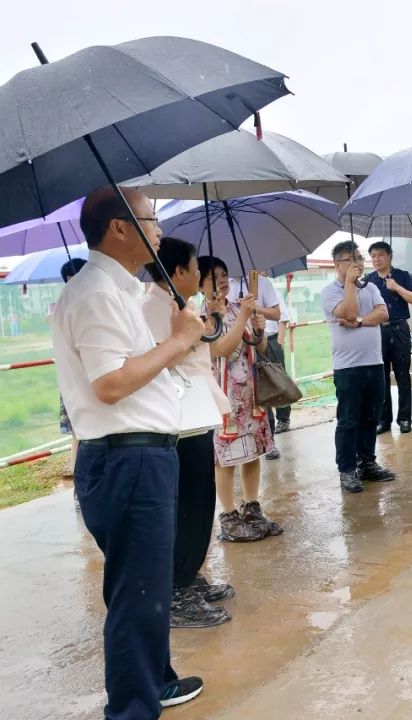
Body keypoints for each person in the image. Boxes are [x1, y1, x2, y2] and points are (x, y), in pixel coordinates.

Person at [52, 186, 206, 715]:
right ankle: (132, 708)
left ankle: (154, 679)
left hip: (138, 455)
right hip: (128, 459)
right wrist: (179, 342)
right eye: (150, 218)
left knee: (143, 587)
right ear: (120, 228)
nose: (159, 229)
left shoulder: (119, 290)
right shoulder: (95, 292)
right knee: (135, 595)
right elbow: (110, 384)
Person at [143, 238, 235, 628]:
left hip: (196, 408)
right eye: (196, 269)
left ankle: (188, 574)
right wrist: (193, 331)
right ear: (177, 272)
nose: (199, 276)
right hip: (177, 415)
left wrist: (208, 319)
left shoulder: (178, 304)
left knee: (199, 497)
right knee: (186, 502)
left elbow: (204, 346)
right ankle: (177, 590)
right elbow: (164, 355)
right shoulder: (151, 307)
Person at [199, 256, 283, 543]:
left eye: (224, 274)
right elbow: (222, 349)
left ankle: (252, 508)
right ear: (200, 285)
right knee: (225, 459)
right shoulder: (203, 317)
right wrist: (244, 319)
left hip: (250, 395)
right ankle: (229, 516)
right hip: (225, 399)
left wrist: (258, 328)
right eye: (214, 276)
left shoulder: (237, 308)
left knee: (253, 451)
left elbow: (258, 347)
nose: (222, 280)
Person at [322, 241, 396, 492]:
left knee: (370, 418)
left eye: (359, 258)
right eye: (350, 259)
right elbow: (348, 312)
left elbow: (383, 313)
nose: (358, 264)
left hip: (374, 362)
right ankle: (347, 470)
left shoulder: (372, 287)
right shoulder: (330, 291)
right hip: (348, 367)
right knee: (348, 420)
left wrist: (362, 320)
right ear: (337, 264)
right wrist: (350, 286)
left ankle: (367, 463)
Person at [229, 271, 289, 455]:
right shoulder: (224, 285)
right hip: (236, 346)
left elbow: (278, 314)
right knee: (247, 394)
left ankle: (272, 434)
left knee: (267, 388)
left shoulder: (263, 283)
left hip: (262, 339)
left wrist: (256, 308)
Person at [365, 240, 412, 434]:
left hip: (399, 329)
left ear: (389, 256)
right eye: (372, 256)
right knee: (381, 376)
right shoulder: (368, 280)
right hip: (377, 331)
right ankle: (383, 420)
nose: (376, 259)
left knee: (402, 374)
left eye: (380, 255)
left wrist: (396, 287)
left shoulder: (402, 276)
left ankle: (404, 418)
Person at [57, 257, 86, 486]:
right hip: (77, 380)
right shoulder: (67, 307)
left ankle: (80, 484)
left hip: (77, 379)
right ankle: (79, 483)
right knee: (79, 433)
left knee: (81, 433)